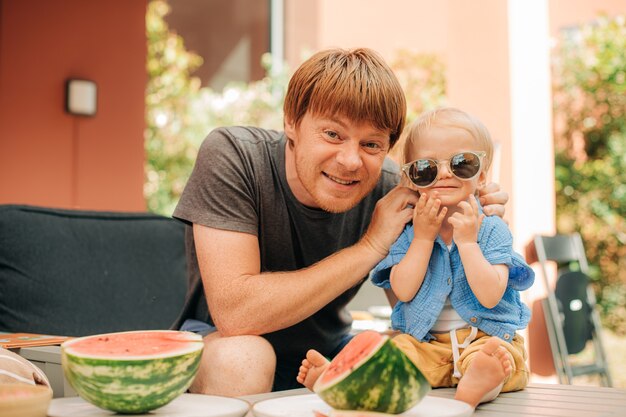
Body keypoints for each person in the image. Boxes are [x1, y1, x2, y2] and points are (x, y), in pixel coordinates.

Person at [172, 49, 513, 396]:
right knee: (244, 357)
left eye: (370, 144)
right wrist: (371, 246)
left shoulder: (393, 188)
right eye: (333, 134)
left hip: (329, 353)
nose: (351, 161)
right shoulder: (235, 156)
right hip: (223, 344)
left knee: (418, 356)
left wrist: (469, 226)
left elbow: (417, 312)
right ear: (292, 121)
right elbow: (235, 315)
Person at [297, 107, 534, 408]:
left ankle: (475, 389)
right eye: (427, 168)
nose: (445, 173)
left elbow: (490, 296)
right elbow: (404, 290)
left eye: (462, 164)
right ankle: (337, 380)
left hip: (484, 340)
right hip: (428, 346)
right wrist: (422, 239)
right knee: (393, 353)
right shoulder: (409, 232)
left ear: (482, 176)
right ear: (411, 179)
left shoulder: (492, 230)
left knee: (496, 361)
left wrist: (468, 244)